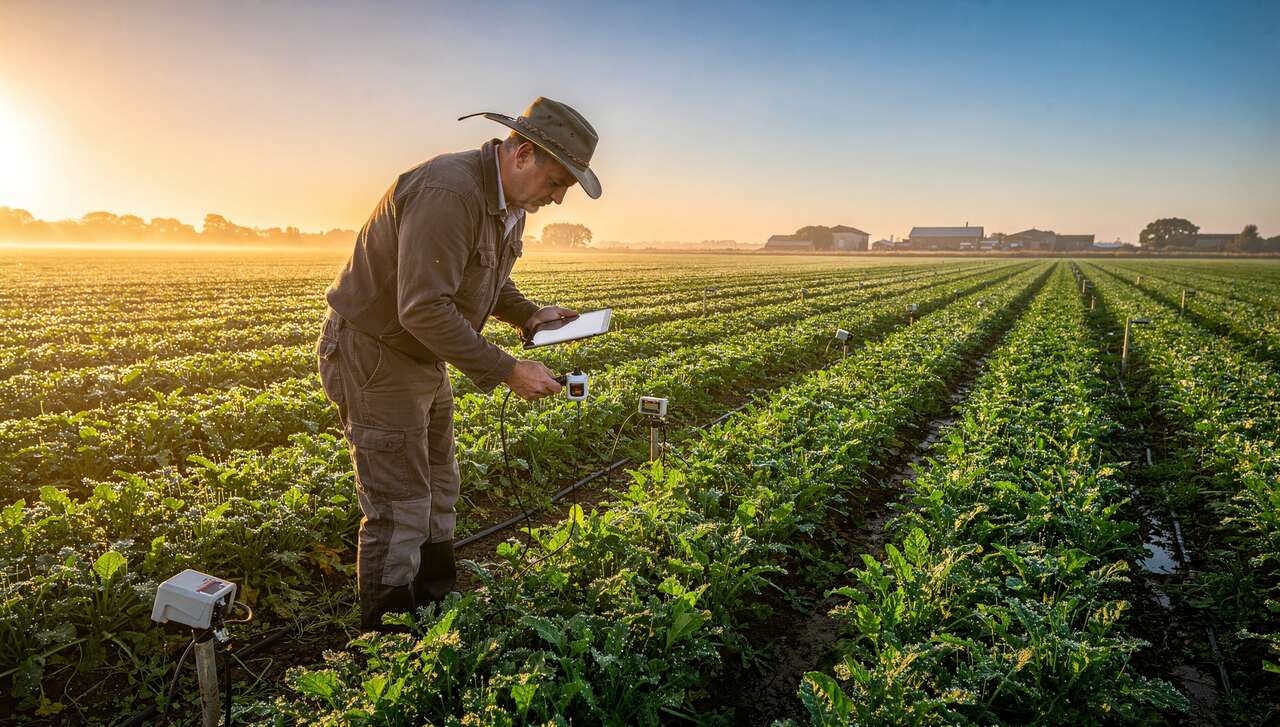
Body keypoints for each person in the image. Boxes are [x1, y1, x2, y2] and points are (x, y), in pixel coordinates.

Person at [315, 97, 602, 630]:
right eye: (558, 181)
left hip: (423, 355)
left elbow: (482, 277)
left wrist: (529, 315)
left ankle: (434, 604)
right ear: (521, 154)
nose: (559, 198)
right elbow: (422, 306)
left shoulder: (505, 204)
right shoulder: (450, 191)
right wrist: (508, 370)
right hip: (378, 355)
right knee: (400, 502)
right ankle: (389, 640)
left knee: (440, 482)